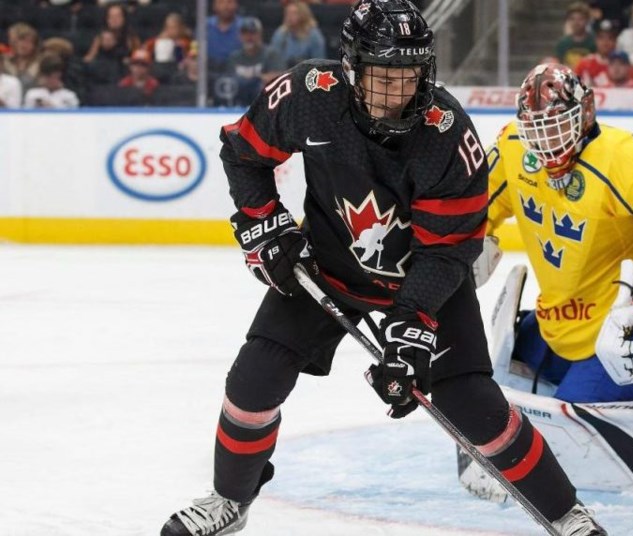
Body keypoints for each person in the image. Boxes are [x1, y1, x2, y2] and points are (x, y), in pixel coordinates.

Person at [158, 2, 605, 536]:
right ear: (351, 68)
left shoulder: (447, 134)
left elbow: (448, 250)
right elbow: (243, 152)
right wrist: (267, 224)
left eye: (410, 75)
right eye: (383, 76)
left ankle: (566, 514)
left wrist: (413, 324)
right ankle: (229, 500)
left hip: (426, 280)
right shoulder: (309, 95)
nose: (399, 93)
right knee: (253, 380)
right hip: (328, 265)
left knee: (471, 404)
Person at [478, 61, 633, 405]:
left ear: (585, 112)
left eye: (557, 127)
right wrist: (466, 241)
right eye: (536, 130)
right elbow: (475, 200)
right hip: (562, 322)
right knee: (494, 394)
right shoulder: (513, 146)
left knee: (571, 440)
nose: (546, 143)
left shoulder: (622, 161)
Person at [223, 17, 284, 107]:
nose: (249, 37)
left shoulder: (271, 54)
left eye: (252, 33)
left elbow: (280, 77)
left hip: (265, 103)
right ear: (239, 36)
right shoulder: (234, 57)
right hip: (238, 101)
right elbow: (229, 81)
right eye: (245, 33)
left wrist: (256, 79)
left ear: (260, 34)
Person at [269, 0, 328, 69]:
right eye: (288, 13)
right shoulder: (281, 33)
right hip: (284, 72)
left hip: (306, 73)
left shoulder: (314, 35)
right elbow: (273, 60)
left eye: (294, 13)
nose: (290, 17)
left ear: (303, 15)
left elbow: (320, 62)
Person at [555, 1, 597, 69]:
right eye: (572, 19)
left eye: (580, 19)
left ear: (587, 20)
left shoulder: (594, 42)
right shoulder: (562, 43)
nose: (576, 23)